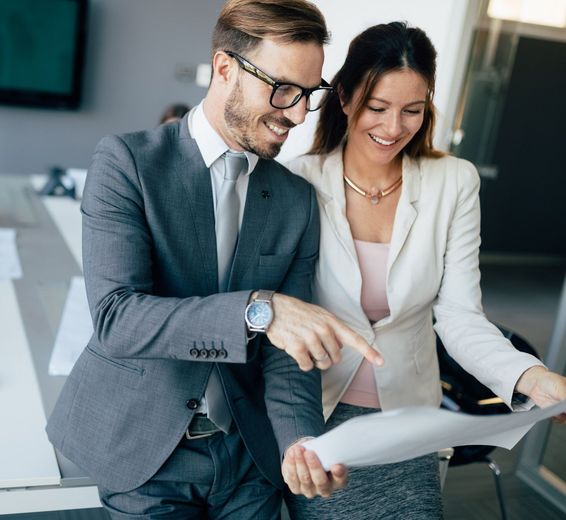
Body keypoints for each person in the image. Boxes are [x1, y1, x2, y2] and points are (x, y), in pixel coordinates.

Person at [46, 1, 383, 518]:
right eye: (283, 89)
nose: (296, 114)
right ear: (225, 69)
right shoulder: (127, 163)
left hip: (248, 457)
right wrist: (258, 308)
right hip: (148, 457)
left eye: (308, 95)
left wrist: (300, 440)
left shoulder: (295, 199)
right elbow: (117, 317)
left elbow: (287, 351)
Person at [283, 21, 566, 519]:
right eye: (377, 107)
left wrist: (532, 377)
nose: (394, 128)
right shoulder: (295, 182)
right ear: (345, 98)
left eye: (412, 111)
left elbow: (460, 317)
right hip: (313, 417)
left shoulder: (453, 182)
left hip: (407, 418)